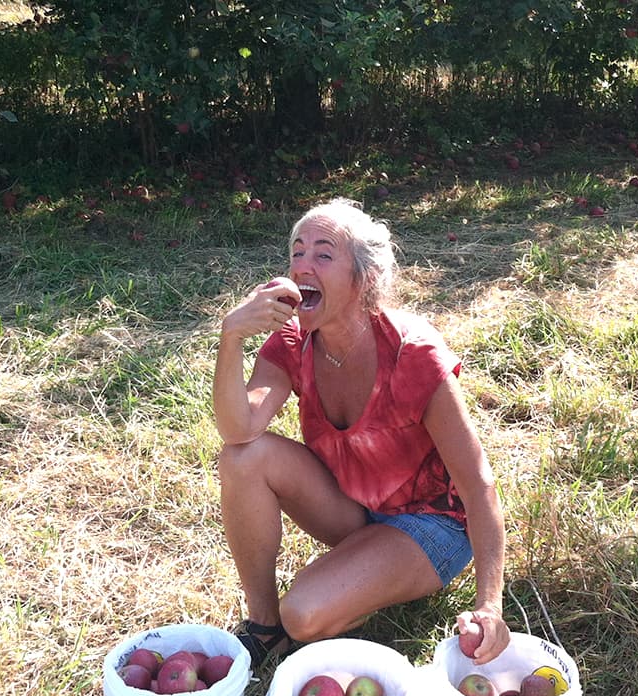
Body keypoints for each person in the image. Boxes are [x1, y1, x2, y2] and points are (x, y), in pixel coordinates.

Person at [212, 198, 511, 666]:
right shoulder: (293, 339)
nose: (301, 266)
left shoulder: (413, 355)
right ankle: (264, 627)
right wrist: (231, 338)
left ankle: (344, 595)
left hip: (432, 524)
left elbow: (478, 482)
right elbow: (239, 428)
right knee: (241, 458)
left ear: (364, 277)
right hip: (356, 508)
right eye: (297, 251)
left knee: (304, 615)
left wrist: (489, 604)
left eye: (323, 254)